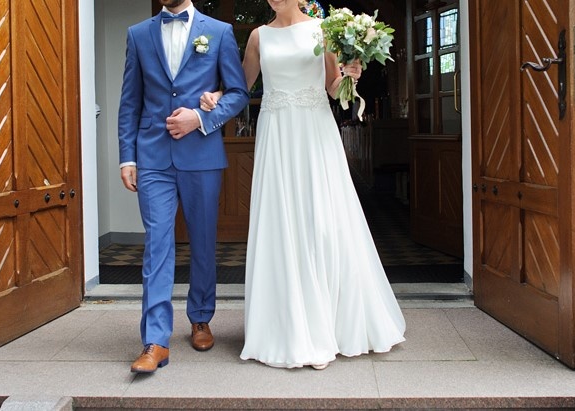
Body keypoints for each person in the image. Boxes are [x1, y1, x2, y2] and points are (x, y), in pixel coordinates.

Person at [201, 0, 405, 369]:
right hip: (277, 134)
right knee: (282, 223)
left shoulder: (322, 30)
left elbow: (333, 89)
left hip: (314, 133)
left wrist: (350, 75)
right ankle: (290, 329)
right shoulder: (258, 37)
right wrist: (215, 96)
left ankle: (327, 325)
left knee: (322, 221)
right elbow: (239, 87)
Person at [118, 0, 249, 374]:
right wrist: (127, 157)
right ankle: (155, 340)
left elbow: (238, 92)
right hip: (152, 157)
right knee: (157, 244)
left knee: (203, 240)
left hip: (202, 155)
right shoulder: (138, 35)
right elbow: (130, 101)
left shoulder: (219, 32)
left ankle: (201, 317)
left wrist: (201, 118)